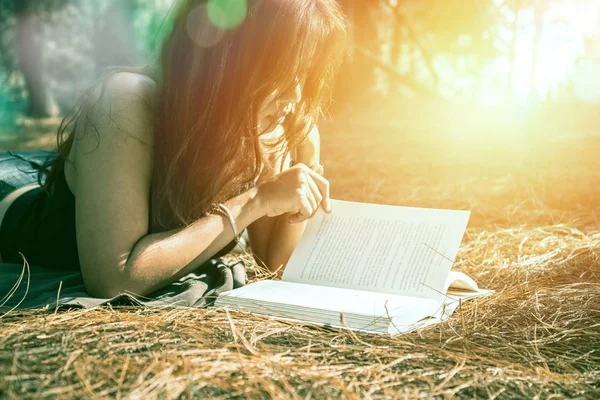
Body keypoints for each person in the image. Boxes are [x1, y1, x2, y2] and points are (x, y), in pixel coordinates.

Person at [0, 0, 348, 298]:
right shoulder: (126, 101)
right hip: (16, 198)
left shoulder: (276, 122)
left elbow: (275, 266)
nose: (298, 96)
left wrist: (305, 170)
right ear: (231, 61)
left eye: (305, 73)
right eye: (285, 72)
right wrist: (255, 200)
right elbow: (115, 279)